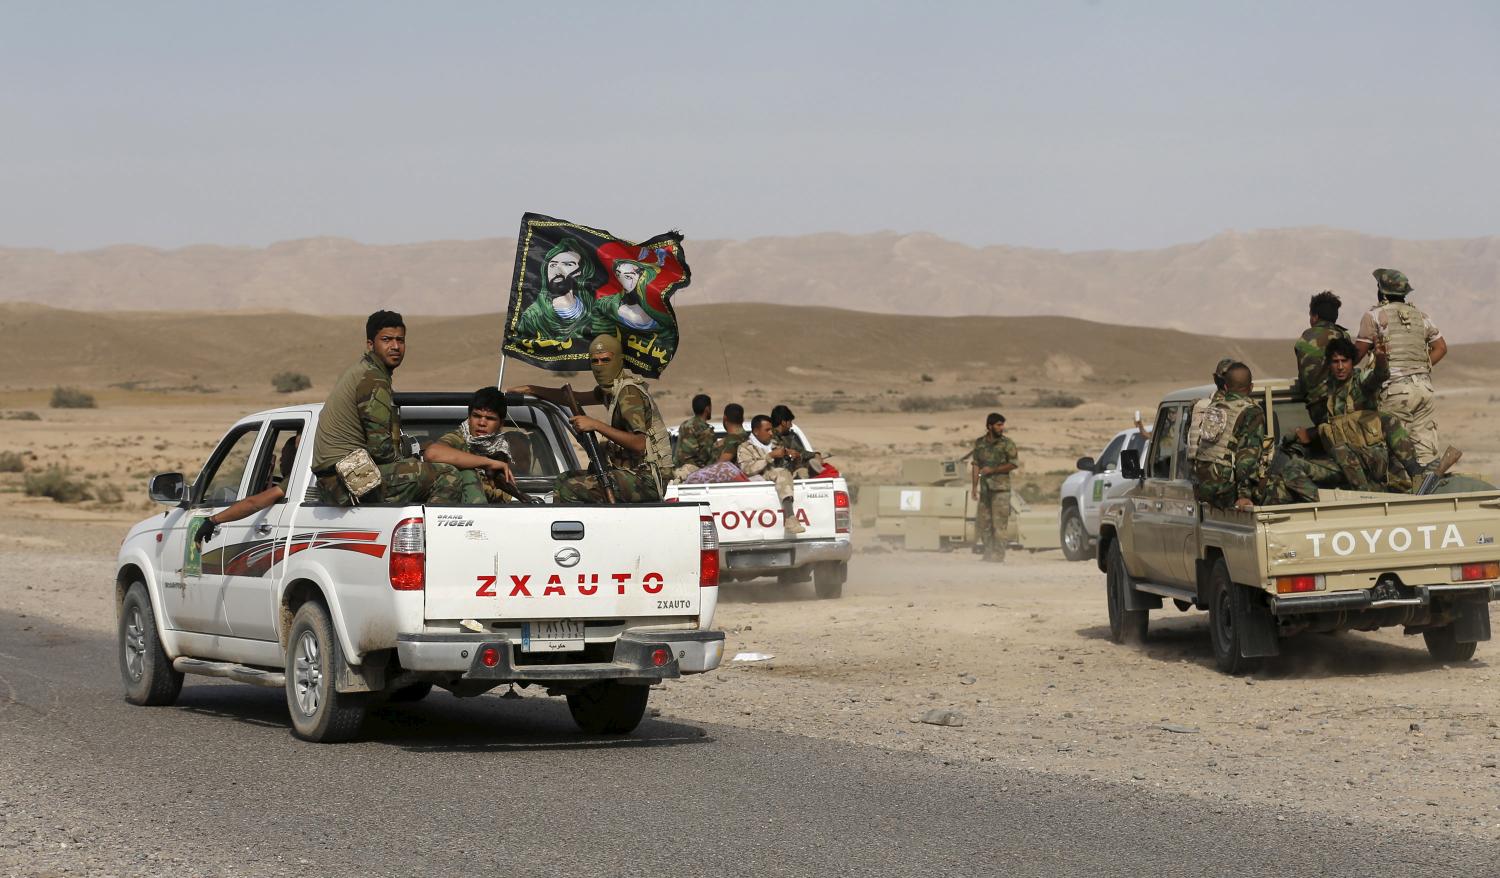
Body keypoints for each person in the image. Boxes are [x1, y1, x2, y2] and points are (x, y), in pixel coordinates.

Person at [310, 311, 467, 505]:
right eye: (386, 340)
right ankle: (432, 534)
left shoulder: (363, 371)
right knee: (447, 474)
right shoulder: (373, 379)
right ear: (370, 344)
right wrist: (413, 458)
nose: (395, 346)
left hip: (341, 476)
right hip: (347, 480)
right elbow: (381, 451)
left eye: (400, 340)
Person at [509, 334, 671, 503]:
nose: (600, 366)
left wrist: (595, 425)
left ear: (619, 360)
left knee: (570, 488)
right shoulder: (611, 391)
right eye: (595, 361)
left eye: (605, 360)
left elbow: (639, 444)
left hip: (647, 479)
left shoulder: (628, 393)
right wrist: (532, 389)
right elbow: (574, 398)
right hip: (630, 474)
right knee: (562, 480)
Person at [1294, 337, 1424, 493]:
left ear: (1352, 362)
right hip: (1345, 464)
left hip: (1372, 458)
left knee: (1343, 448)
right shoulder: (1327, 396)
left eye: (1345, 361)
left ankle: (1367, 497)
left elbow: (1379, 376)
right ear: (1329, 364)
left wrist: (1381, 359)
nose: (1340, 367)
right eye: (1335, 362)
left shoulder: (1360, 384)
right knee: (1297, 466)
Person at [1191, 363, 1318, 510]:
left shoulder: (1214, 407)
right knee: (1291, 486)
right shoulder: (1251, 411)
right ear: (1250, 387)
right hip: (1227, 492)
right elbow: (1247, 457)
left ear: (1226, 386)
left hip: (1207, 490)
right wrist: (1244, 496)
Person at [1354, 268, 1446, 467]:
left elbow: (1357, 353)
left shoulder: (1374, 316)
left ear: (1382, 291)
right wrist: (1421, 367)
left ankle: (1404, 494)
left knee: (1397, 452)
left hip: (1395, 391)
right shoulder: (1422, 316)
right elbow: (1441, 348)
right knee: (1426, 452)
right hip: (1424, 389)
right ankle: (1430, 492)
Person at [195, 434, 300, 544]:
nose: (281, 460)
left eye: (285, 454)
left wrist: (213, 520)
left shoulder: (294, 479)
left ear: (296, 456)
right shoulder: (298, 480)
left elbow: (252, 503)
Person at [422, 387, 518, 504]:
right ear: (469, 418)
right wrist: (488, 463)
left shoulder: (505, 447)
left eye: (490, 418)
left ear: (501, 423)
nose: (482, 423)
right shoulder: (458, 438)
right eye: (476, 416)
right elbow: (432, 453)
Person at [513, 238, 599, 344]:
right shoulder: (533, 317)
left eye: (567, 264)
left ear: (580, 272)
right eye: (553, 265)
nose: (557, 270)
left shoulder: (595, 311)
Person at [736, 415, 807, 535]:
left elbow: (787, 464)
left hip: (781, 478)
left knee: (802, 472)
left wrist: (794, 457)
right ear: (756, 431)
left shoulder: (775, 444)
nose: (770, 433)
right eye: (767, 430)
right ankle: (790, 518)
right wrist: (770, 456)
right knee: (781, 473)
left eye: (771, 430)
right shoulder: (745, 448)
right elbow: (746, 469)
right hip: (761, 478)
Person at [1293, 290, 1351, 426]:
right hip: (1339, 405)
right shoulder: (1341, 336)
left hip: (1314, 407)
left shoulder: (1303, 339)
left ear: (1315, 317)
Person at [970, 412, 1018, 562]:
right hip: (985, 490)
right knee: (984, 524)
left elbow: (1013, 464)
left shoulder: (1007, 444)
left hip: (1001, 490)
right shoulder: (980, 443)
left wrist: (993, 470)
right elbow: (976, 465)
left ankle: (998, 555)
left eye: (1002, 424)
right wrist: (974, 486)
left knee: (999, 525)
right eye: (998, 425)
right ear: (989, 426)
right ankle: (988, 553)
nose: (1001, 428)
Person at [1183, 358, 1236, 462]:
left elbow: (1187, 441)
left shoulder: (1197, 407)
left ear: (1215, 379)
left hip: (1203, 473)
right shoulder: (1246, 408)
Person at [769, 404, 824, 478]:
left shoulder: (788, 437)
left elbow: (800, 451)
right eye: (790, 422)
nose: (791, 426)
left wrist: (815, 455)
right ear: (783, 422)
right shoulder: (768, 437)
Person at [672, 393, 717, 481]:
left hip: (679, 470)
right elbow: (705, 455)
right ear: (707, 409)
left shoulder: (684, 425)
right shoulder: (705, 430)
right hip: (695, 472)